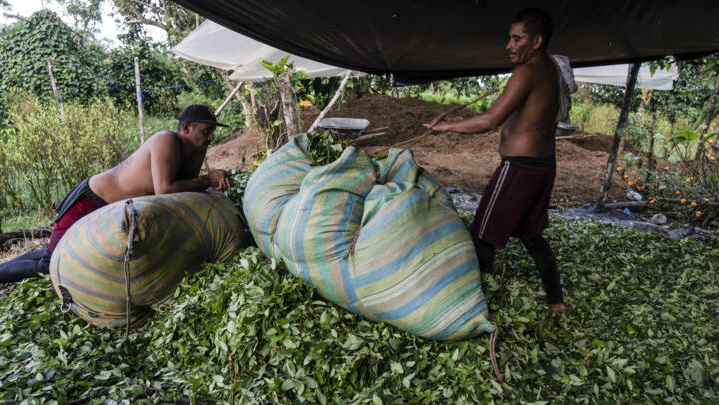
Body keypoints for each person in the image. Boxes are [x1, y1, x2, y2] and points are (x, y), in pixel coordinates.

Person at [424, 9, 566, 312]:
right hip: (543, 166)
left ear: (537, 41)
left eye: (517, 39)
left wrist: (445, 126)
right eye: (509, 38)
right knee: (532, 236)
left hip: (519, 168)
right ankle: (557, 303)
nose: (509, 45)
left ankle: (472, 307)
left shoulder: (527, 72)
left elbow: (490, 120)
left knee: (481, 236)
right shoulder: (548, 68)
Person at [0, 104, 232, 283]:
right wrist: (207, 180)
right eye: (206, 131)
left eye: (211, 132)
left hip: (112, 208)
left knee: (59, 251)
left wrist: (212, 180)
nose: (211, 137)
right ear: (185, 127)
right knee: (50, 265)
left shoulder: (196, 149)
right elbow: (165, 189)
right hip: (91, 199)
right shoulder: (166, 140)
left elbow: (188, 186)